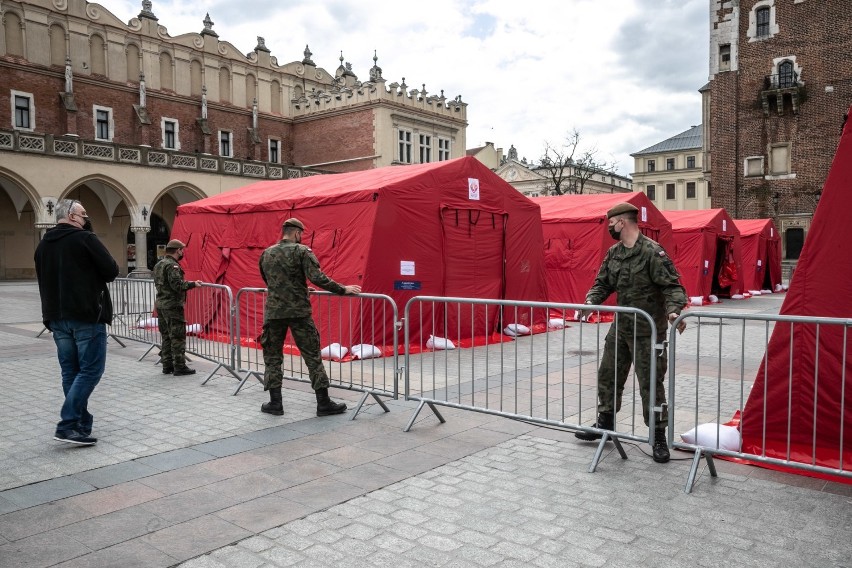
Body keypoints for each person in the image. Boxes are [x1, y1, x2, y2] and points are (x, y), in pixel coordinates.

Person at [575, 202, 687, 463]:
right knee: (608, 375)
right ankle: (605, 424)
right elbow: (602, 283)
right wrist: (590, 302)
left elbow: (673, 287)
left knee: (650, 385)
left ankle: (658, 437)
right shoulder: (614, 253)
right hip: (621, 328)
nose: (610, 228)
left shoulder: (652, 252)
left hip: (648, 332)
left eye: (611, 223)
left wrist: (674, 311)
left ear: (622, 222)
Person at [34, 199, 119, 445]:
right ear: (71, 216)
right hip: (85, 315)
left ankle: (79, 425)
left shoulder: (43, 245)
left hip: (56, 317)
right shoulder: (85, 239)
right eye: (83, 215)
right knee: (91, 370)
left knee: (70, 371)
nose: (86, 219)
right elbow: (111, 270)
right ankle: (68, 422)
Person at [259, 218, 361, 416]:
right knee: (312, 357)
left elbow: (271, 281)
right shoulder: (301, 251)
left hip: (274, 313)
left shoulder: (267, 253)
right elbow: (317, 277)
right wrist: (343, 289)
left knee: (272, 358)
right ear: (297, 233)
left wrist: (299, 287)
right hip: (299, 313)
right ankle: (323, 403)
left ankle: (275, 403)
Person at [153, 239, 202, 376]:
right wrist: (193, 284)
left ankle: (167, 365)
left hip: (161, 305)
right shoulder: (172, 266)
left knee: (166, 336)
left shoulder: (159, 264)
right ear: (177, 250)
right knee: (177, 336)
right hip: (172, 305)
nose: (183, 252)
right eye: (182, 250)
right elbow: (177, 285)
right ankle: (179, 366)